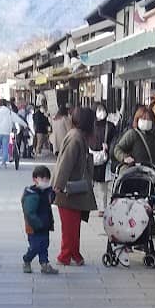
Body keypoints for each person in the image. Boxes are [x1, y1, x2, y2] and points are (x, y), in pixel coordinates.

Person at [52, 104, 97, 265]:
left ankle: (74, 253)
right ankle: (64, 255)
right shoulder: (76, 137)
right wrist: (58, 185)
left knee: (73, 225)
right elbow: (66, 163)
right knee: (70, 227)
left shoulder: (77, 135)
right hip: (68, 190)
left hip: (73, 189)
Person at [112, 103, 155, 172]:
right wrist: (125, 157)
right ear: (137, 119)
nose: (146, 121)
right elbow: (117, 149)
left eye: (149, 119)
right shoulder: (132, 134)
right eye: (143, 118)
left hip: (150, 174)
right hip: (133, 173)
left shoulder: (153, 137)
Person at [21, 164, 59, 275]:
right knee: (35, 246)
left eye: (47, 178)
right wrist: (37, 224)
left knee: (44, 245)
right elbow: (29, 212)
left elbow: (49, 201)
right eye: (42, 178)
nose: (45, 181)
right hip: (34, 227)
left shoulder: (46, 191)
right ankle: (27, 259)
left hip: (45, 224)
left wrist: (54, 194)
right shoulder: (31, 194)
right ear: (35, 179)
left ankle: (44, 264)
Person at [0, 98, 15, 167]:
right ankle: (4, 162)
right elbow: (12, 121)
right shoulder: (9, 112)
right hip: (6, 132)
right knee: (5, 147)